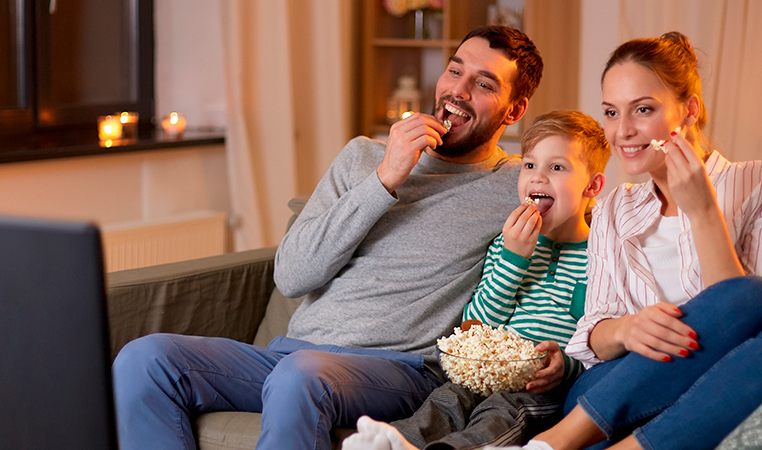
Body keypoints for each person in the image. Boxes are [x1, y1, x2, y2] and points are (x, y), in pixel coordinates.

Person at [112, 25, 543, 450]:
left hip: (401, 370)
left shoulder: (515, 184)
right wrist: (384, 180)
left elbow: (587, 219)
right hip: (292, 356)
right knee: (143, 360)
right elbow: (293, 276)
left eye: (483, 84)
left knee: (301, 374)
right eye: (454, 71)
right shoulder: (363, 157)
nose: (459, 90)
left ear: (514, 111)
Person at [486, 32, 762, 450]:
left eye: (643, 109)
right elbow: (591, 332)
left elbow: (758, 325)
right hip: (614, 393)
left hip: (720, 387)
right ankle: (559, 439)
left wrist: (704, 213)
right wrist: (629, 329)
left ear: (688, 110)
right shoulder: (613, 207)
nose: (623, 131)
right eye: (610, 112)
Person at [342, 110, 610, 450]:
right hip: (485, 372)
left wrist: (566, 368)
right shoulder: (506, 243)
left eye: (557, 167)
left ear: (593, 185)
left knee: (502, 411)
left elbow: (600, 346)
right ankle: (398, 441)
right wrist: (514, 258)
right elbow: (479, 325)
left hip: (539, 389)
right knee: (447, 399)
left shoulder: (603, 258)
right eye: (529, 165)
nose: (538, 178)